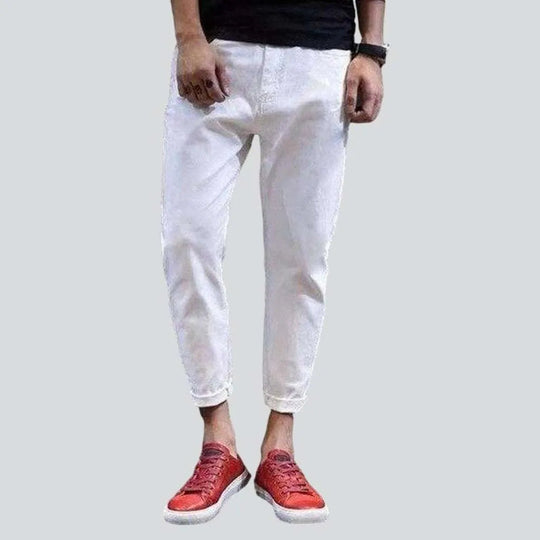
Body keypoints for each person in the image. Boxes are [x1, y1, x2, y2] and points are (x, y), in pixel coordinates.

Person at [161, 0, 387, 525]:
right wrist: (188, 34)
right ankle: (218, 443)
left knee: (301, 257)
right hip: (218, 51)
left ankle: (278, 448)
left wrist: (371, 50)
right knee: (187, 240)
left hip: (319, 57)